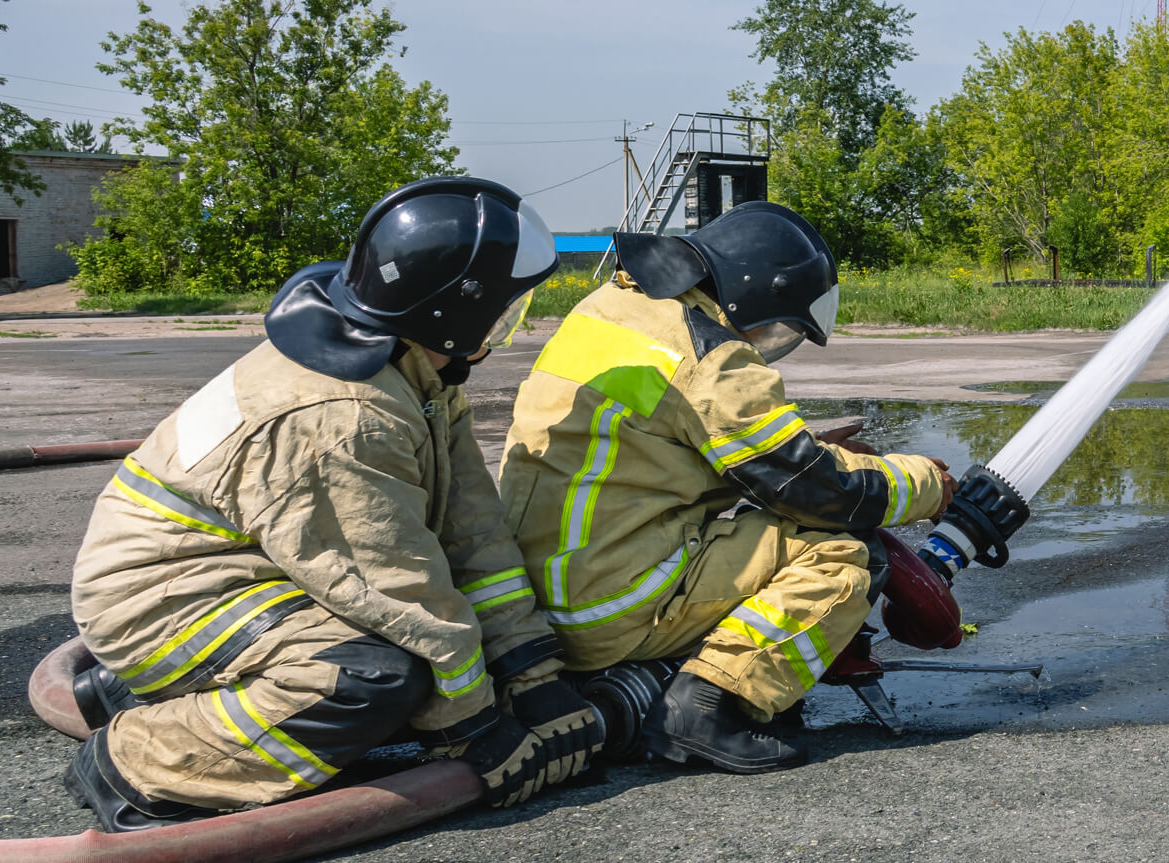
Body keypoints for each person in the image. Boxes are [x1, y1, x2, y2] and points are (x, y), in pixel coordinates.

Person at [63, 177, 603, 832]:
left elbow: (471, 532)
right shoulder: (346, 417)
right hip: (163, 595)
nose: (503, 324)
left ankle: (152, 695)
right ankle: (138, 759)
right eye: (500, 308)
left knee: (410, 666)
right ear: (450, 309)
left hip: (235, 568)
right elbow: (402, 591)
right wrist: (472, 725)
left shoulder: (416, 366)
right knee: (372, 679)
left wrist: (530, 668)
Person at [497, 201, 956, 774]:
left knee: (763, 524)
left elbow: (666, 434)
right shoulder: (710, 354)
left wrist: (800, 447)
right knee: (843, 552)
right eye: (777, 324)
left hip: (539, 599)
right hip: (612, 606)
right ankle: (711, 704)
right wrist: (927, 485)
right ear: (752, 293)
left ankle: (682, 671)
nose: (769, 337)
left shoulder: (611, 309)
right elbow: (820, 490)